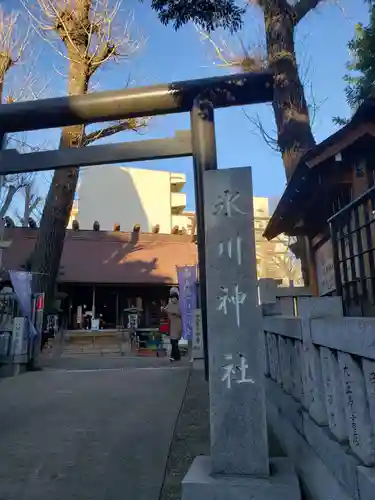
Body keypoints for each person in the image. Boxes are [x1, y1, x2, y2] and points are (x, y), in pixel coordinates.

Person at [161, 287, 182, 361]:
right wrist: (163, 309)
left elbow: (181, 313)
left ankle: (175, 356)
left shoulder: (180, 304)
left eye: (174, 298)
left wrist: (175, 313)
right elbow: (166, 310)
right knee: (173, 341)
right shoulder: (170, 304)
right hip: (172, 325)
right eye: (172, 297)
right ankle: (176, 356)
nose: (173, 299)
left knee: (174, 341)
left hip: (178, 324)